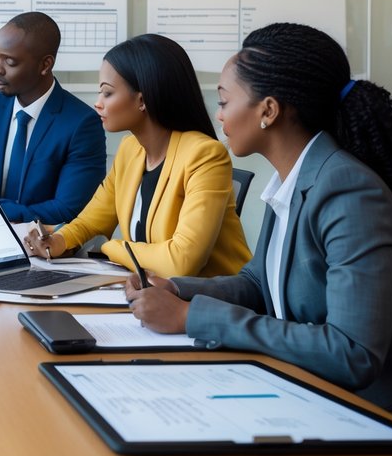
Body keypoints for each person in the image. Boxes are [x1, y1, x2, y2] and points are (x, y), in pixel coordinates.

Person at [129, 23, 392, 418]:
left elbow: (353, 352)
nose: (219, 115)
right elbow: (259, 283)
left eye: (226, 101)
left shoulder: (346, 190)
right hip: (319, 395)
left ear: (268, 110)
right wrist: (177, 289)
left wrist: (191, 317)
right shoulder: (296, 176)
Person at [23, 34, 249, 278]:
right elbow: (92, 221)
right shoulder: (130, 149)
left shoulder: (204, 155)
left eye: (107, 93)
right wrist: (58, 241)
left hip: (214, 305)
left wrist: (109, 247)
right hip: (157, 296)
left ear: (142, 100)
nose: (98, 104)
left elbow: (181, 263)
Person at [0, 11, 105, 224]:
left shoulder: (81, 123)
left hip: (46, 248)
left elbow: (69, 208)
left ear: (45, 65)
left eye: (10, 62)